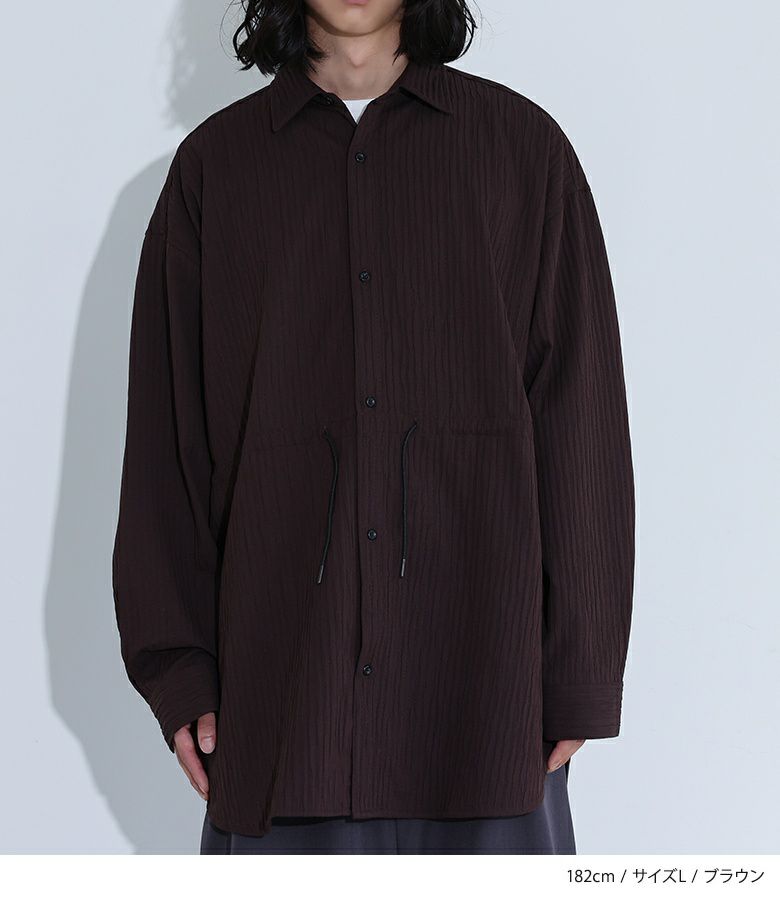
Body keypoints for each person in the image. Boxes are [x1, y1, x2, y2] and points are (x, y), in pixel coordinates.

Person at [112, 0, 635, 855]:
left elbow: (581, 421)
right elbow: (169, 445)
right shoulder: (216, 169)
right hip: (286, 711)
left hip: (484, 706)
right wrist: (179, 671)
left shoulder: (522, 151)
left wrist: (580, 672)